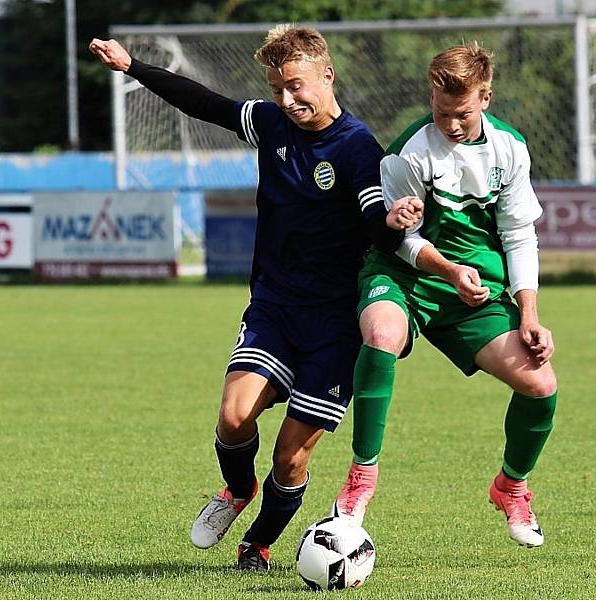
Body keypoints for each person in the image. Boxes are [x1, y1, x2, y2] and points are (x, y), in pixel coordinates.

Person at [89, 26, 422, 571]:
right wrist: (132, 68)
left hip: (336, 325)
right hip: (274, 306)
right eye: (277, 89)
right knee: (233, 417)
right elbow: (206, 104)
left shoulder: (359, 148)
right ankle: (237, 490)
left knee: (291, 456)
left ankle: (257, 544)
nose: (287, 100)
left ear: (326, 74)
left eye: (296, 85)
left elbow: (375, 226)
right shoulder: (271, 124)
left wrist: (391, 223)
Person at [331, 42, 558, 548]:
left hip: (472, 293)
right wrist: (448, 268)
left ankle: (511, 486)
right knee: (383, 333)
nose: (450, 124)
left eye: (461, 114)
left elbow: (520, 235)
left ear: (486, 98)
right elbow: (400, 239)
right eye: (440, 112)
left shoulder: (510, 149)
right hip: (406, 275)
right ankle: (361, 477)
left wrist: (530, 315)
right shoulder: (410, 150)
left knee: (541, 384)